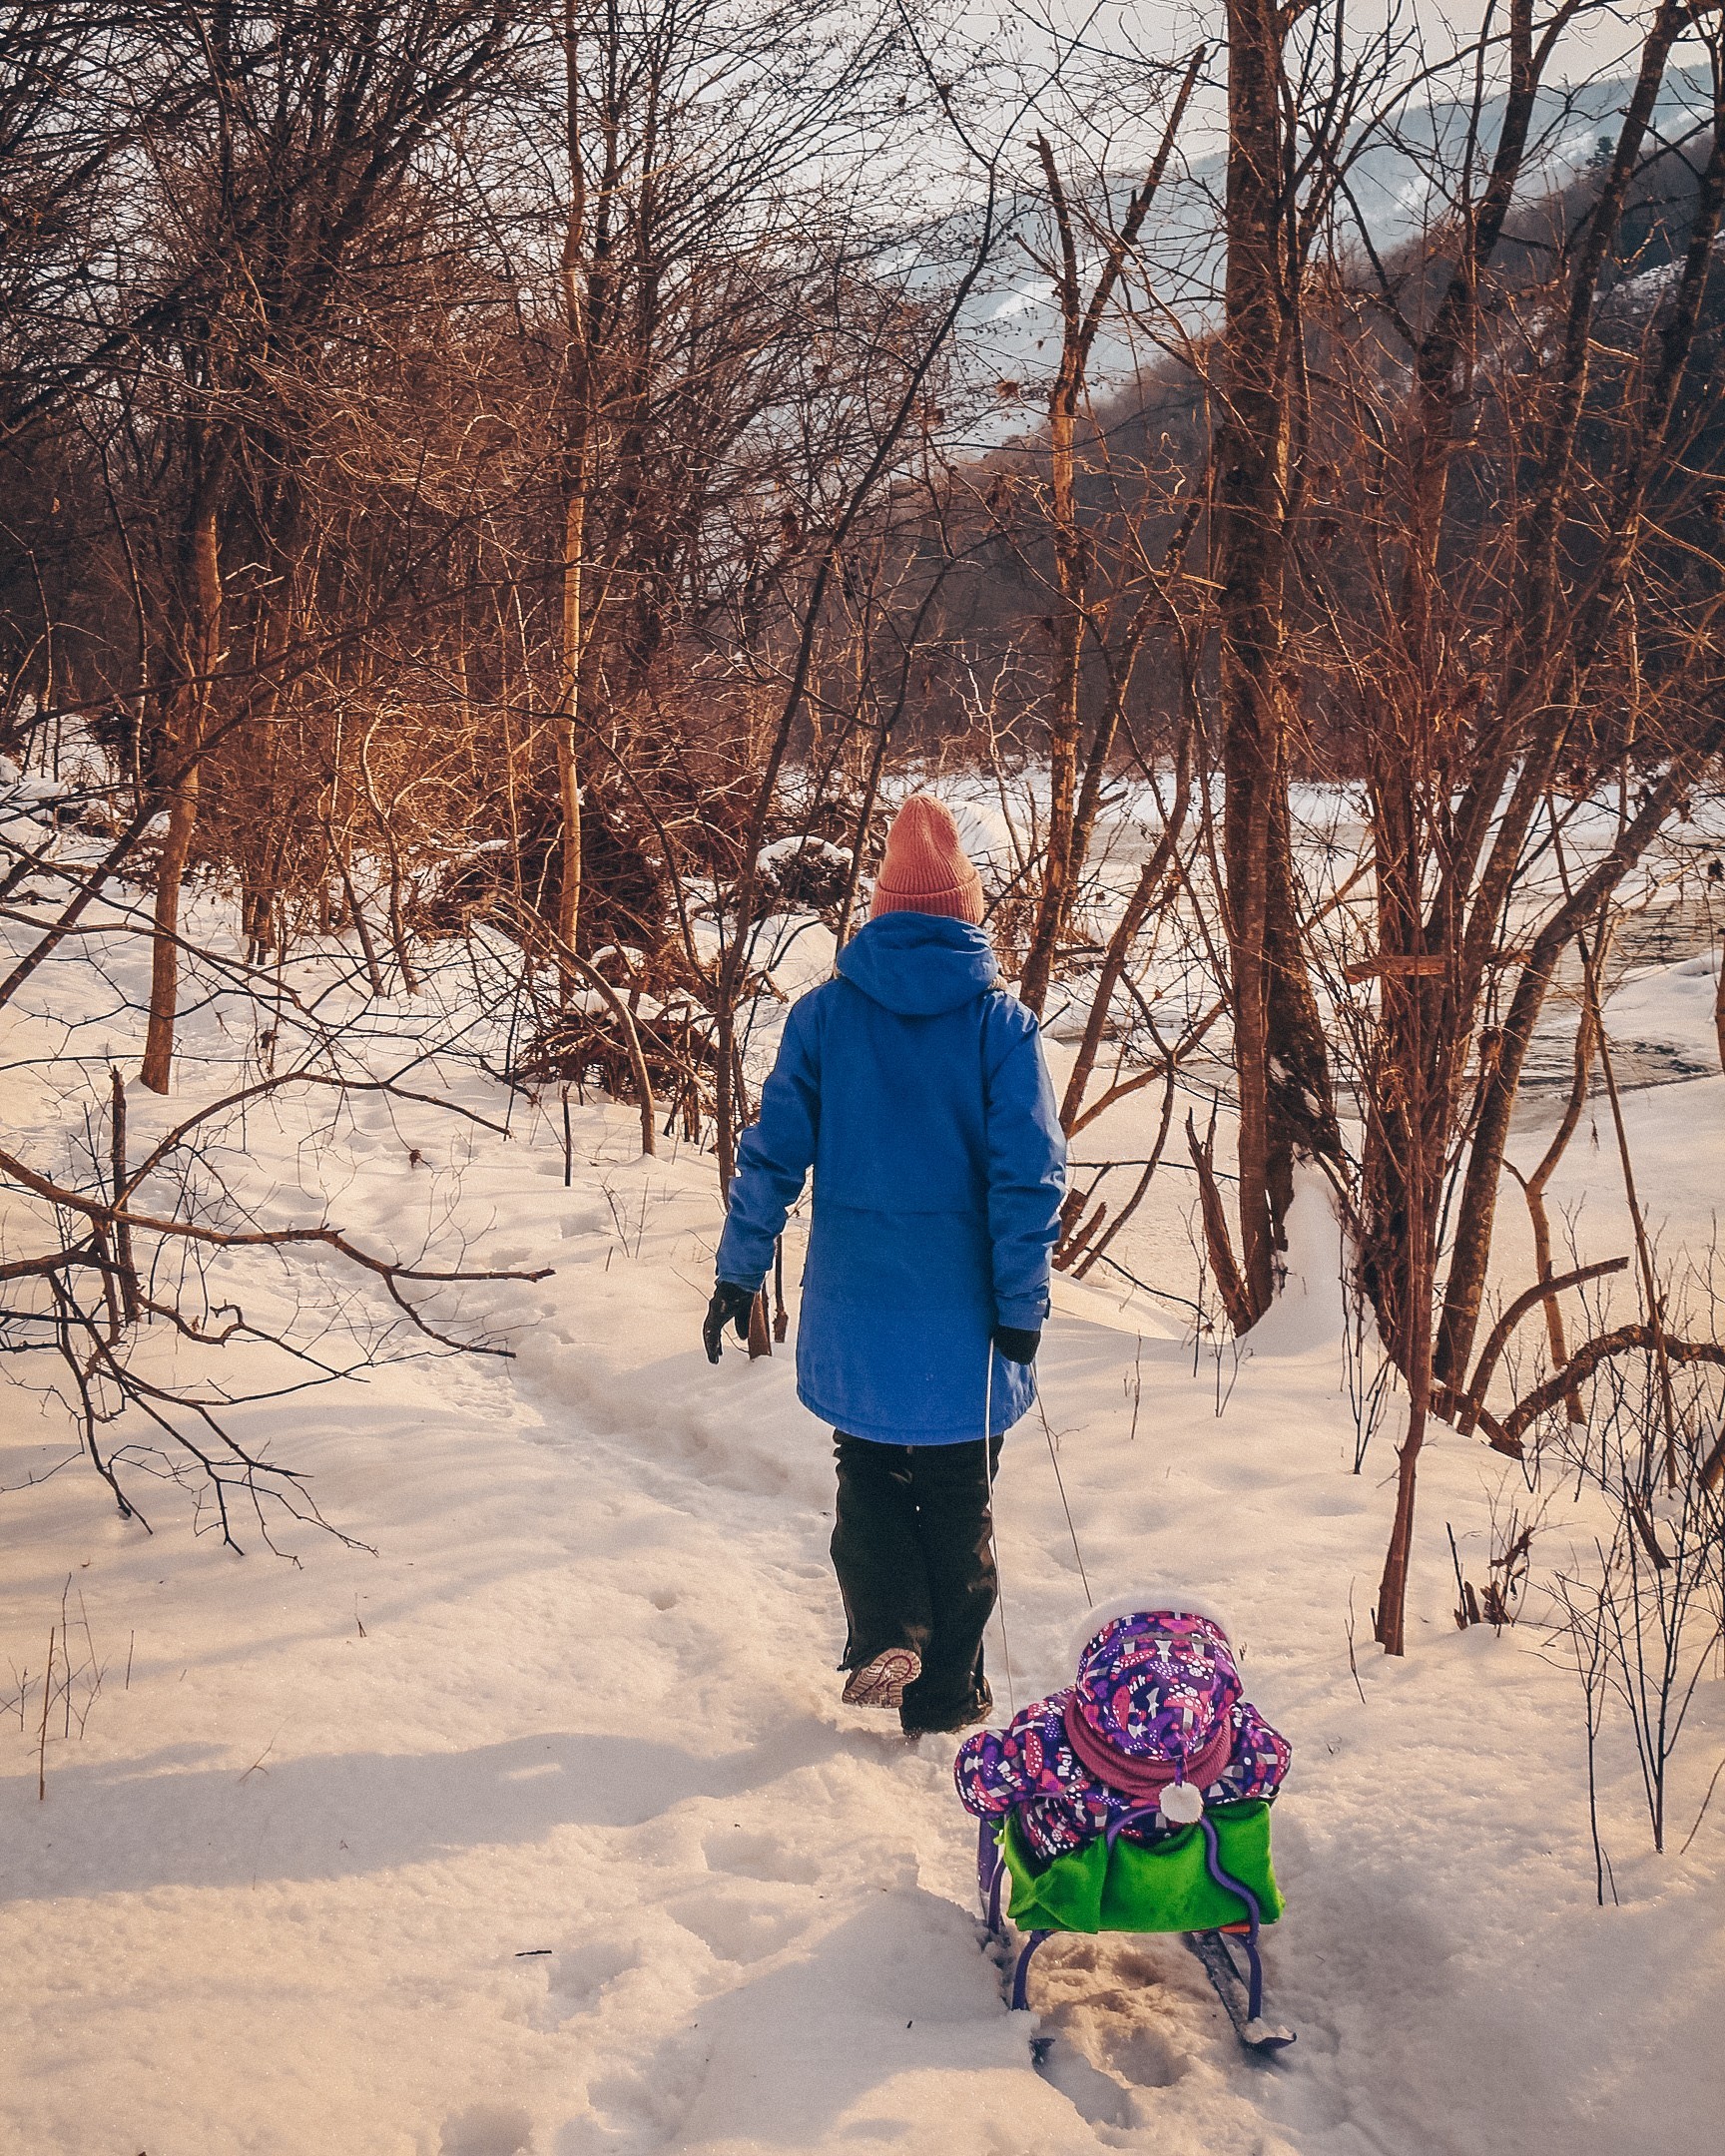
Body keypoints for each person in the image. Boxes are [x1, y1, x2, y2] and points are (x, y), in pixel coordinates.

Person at [704, 795, 1066, 1736]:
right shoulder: (1002, 1028)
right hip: (967, 1314)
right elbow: (1029, 1180)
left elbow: (772, 1156)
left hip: (855, 1305)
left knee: (865, 1471)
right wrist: (1022, 1302)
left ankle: (886, 1635)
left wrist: (739, 1270)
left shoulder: (822, 1018)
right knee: (958, 1494)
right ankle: (947, 1689)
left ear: (878, 913)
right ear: (968, 914)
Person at [952, 1594, 1292, 1860]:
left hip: (1075, 1870)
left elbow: (978, 1778)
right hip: (1204, 1871)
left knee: (1024, 1797)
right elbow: (1278, 1761)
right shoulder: (1246, 1744)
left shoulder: (1050, 1740)